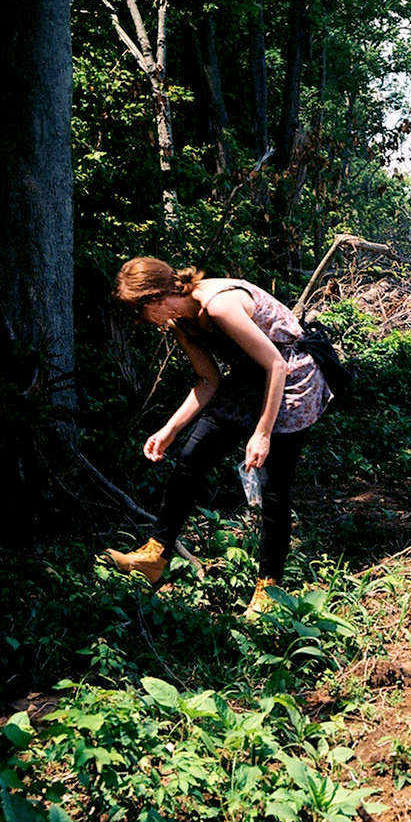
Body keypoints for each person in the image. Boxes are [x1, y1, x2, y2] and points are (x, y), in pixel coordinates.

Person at [102, 258, 331, 609]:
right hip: (250, 378)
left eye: (139, 311)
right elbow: (209, 380)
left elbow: (276, 364)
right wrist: (169, 431)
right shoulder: (179, 322)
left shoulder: (219, 304)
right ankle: (154, 557)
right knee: (190, 459)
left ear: (155, 299)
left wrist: (263, 432)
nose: (141, 320)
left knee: (273, 489)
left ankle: (268, 591)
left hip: (292, 377)